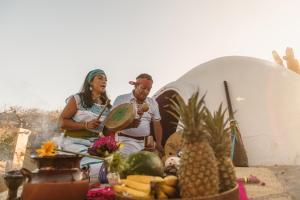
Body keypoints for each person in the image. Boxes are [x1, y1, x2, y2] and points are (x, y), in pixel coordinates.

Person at [59, 68, 112, 179]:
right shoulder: (78, 99)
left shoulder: (107, 106)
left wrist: (123, 123)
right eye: (100, 78)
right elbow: (62, 122)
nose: (104, 81)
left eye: (106, 80)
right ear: (90, 82)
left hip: (94, 147)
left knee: (114, 165)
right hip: (73, 144)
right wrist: (86, 125)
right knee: (101, 169)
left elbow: (106, 132)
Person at [113, 73, 164, 156]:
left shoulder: (153, 103)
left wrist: (158, 143)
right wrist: (129, 124)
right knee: (125, 164)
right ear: (135, 86)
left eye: (149, 89)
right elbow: (112, 123)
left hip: (146, 144)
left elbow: (157, 125)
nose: (146, 92)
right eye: (143, 88)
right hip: (124, 141)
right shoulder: (121, 99)